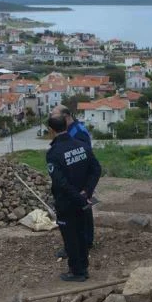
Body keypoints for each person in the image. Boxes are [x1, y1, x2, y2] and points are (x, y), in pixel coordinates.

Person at [45, 114, 101, 282]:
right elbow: (96, 170)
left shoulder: (54, 153)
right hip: (83, 201)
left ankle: (77, 272)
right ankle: (83, 268)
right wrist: (86, 192)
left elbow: (61, 183)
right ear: (66, 126)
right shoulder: (82, 146)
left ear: (51, 130)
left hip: (67, 203)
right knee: (82, 234)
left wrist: (79, 197)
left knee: (71, 238)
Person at [50, 104, 95, 257]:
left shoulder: (77, 132)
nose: (52, 118)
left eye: (54, 115)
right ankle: (82, 242)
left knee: (80, 210)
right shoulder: (72, 130)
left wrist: (86, 187)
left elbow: (86, 156)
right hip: (76, 179)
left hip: (79, 180)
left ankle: (82, 243)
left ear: (65, 116)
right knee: (82, 209)